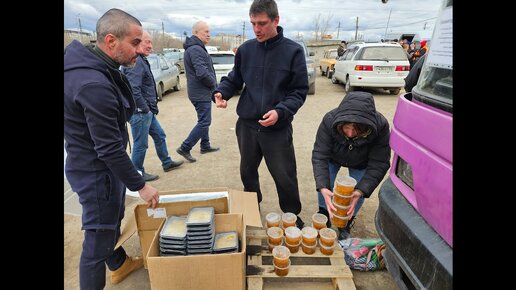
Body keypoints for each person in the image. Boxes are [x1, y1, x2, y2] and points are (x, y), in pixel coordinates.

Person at [64, 8, 159, 289]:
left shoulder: (92, 66)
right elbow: (109, 148)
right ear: (110, 41)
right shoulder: (93, 84)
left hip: (97, 168)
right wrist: (141, 185)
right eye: (134, 43)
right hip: (97, 175)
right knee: (97, 243)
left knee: (109, 226)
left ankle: (118, 265)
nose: (140, 50)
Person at [213, 0, 308, 228]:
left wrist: (280, 111)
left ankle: (291, 215)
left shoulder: (293, 51)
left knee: (284, 174)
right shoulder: (246, 50)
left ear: (276, 20)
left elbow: (299, 91)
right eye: (253, 23)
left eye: (262, 23)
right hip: (247, 125)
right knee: (247, 171)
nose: (257, 29)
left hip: (277, 127)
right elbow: (235, 79)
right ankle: (252, 208)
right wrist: (221, 92)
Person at [311, 91, 391, 241]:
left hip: (361, 161)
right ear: (340, 124)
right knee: (326, 187)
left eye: (357, 130)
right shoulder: (330, 120)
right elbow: (320, 155)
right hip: (333, 157)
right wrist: (323, 187)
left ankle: (345, 222)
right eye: (346, 128)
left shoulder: (380, 126)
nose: (350, 134)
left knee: (357, 192)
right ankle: (324, 211)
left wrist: (361, 190)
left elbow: (380, 162)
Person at [121, 31, 184, 181]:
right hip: (140, 112)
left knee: (159, 135)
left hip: (145, 112)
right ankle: (137, 174)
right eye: (146, 42)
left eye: (150, 42)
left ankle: (166, 162)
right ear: (136, 43)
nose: (150, 45)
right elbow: (134, 90)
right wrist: (145, 109)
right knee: (141, 145)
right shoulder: (135, 62)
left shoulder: (141, 60)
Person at [176, 21, 220, 163]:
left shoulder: (196, 48)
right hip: (200, 93)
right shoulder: (195, 49)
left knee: (203, 120)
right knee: (205, 122)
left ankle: (205, 145)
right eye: (206, 32)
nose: (209, 34)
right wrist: (214, 83)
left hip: (200, 92)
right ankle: (185, 147)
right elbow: (202, 73)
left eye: (209, 32)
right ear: (196, 33)